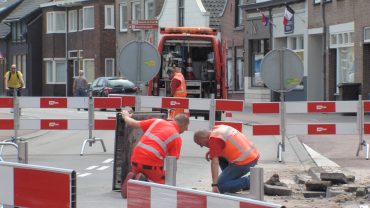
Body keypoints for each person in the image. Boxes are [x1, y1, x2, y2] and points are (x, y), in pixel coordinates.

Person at [120, 111, 190, 198]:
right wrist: (169, 181)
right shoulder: (176, 137)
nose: (186, 130)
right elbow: (171, 164)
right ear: (183, 125)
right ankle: (143, 182)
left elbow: (133, 123)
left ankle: (135, 177)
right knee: (162, 186)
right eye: (186, 127)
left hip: (135, 159)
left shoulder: (157, 121)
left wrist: (125, 116)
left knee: (149, 171)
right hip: (151, 165)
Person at [193, 125, 259, 194]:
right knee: (219, 156)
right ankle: (233, 183)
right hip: (252, 155)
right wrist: (212, 151)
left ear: (203, 138)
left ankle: (252, 181)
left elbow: (214, 163)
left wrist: (214, 185)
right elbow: (225, 143)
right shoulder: (217, 129)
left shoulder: (214, 139)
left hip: (245, 162)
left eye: (200, 143)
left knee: (220, 186)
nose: (201, 146)